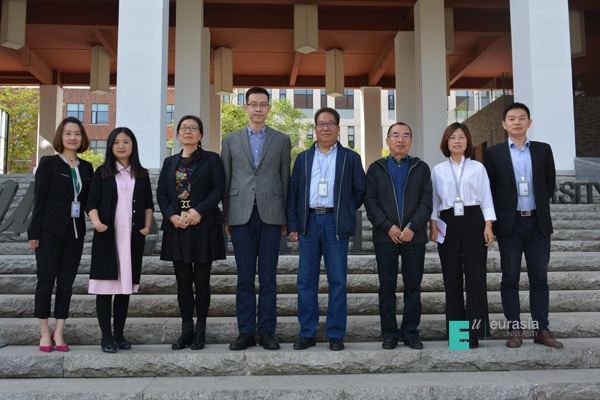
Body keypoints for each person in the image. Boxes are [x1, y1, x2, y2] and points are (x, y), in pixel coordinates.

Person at [484, 102, 562, 349]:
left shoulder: (543, 150)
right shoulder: (494, 153)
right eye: (512, 118)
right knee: (510, 277)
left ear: (529, 122)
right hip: (510, 224)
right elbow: (490, 189)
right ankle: (514, 330)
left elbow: (549, 184)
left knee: (539, 277)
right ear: (504, 124)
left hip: (538, 223)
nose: (516, 122)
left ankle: (541, 330)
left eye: (521, 118)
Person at [287, 107, 366, 351]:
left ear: (338, 128)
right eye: (321, 124)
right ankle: (307, 332)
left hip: (335, 223)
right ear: (315, 128)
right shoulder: (303, 158)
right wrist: (293, 224)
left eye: (330, 123)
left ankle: (335, 333)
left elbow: (360, 191)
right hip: (309, 223)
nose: (325, 128)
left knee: (338, 280)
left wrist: (345, 211)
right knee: (306, 281)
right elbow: (293, 193)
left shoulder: (350, 157)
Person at [221, 87, 291, 351]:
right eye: (253, 104)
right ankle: (246, 332)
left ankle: (268, 331)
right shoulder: (230, 140)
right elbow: (226, 178)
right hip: (240, 215)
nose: (258, 109)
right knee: (245, 278)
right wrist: (227, 215)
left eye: (263, 104)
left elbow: (285, 179)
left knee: (269, 277)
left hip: (271, 215)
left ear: (269, 108)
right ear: (246, 107)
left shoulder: (282, 140)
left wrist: (285, 216)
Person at [157, 115, 226, 350]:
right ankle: (186, 330)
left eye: (193, 128)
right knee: (183, 282)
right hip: (178, 228)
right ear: (178, 133)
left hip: (204, 227)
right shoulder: (170, 162)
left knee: (202, 281)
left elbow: (219, 188)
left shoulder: (212, 159)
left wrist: (200, 211)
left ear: (200, 134)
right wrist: (171, 216)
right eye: (184, 128)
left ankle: (200, 332)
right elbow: (161, 193)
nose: (188, 131)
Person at [27, 116, 94, 352]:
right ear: (61, 137)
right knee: (45, 282)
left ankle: (59, 332)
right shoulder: (48, 163)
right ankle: (45, 332)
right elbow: (39, 200)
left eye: (77, 133)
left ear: (82, 138)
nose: (72, 137)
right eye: (68, 133)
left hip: (74, 234)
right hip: (49, 232)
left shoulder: (87, 168)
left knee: (66, 284)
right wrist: (34, 232)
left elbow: (88, 201)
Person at [364, 122, 432, 350]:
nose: (400, 139)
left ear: (411, 141)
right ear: (387, 140)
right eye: (395, 135)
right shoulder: (376, 168)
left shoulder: (421, 168)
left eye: (405, 135)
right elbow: (370, 202)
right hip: (386, 237)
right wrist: (388, 227)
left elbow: (426, 201)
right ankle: (390, 334)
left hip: (415, 236)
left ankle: (411, 333)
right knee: (387, 287)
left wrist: (412, 226)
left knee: (413, 287)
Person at [87, 127, 154, 353]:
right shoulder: (102, 172)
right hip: (108, 237)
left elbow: (148, 204)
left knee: (125, 289)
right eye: (116, 142)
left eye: (126, 141)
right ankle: (106, 337)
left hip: (132, 239)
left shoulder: (141, 174)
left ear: (133, 145)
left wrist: (146, 228)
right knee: (105, 289)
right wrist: (97, 224)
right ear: (110, 146)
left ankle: (119, 335)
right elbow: (91, 202)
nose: (121, 146)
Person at [429, 123, 495, 349]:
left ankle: (474, 333)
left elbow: (486, 198)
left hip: (474, 220)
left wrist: (488, 225)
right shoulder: (438, 170)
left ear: (468, 141)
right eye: (452, 138)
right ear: (446, 142)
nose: (457, 141)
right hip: (448, 221)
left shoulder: (478, 168)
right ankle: (458, 335)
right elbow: (434, 202)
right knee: (452, 279)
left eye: (461, 137)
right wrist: (433, 226)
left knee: (476, 278)